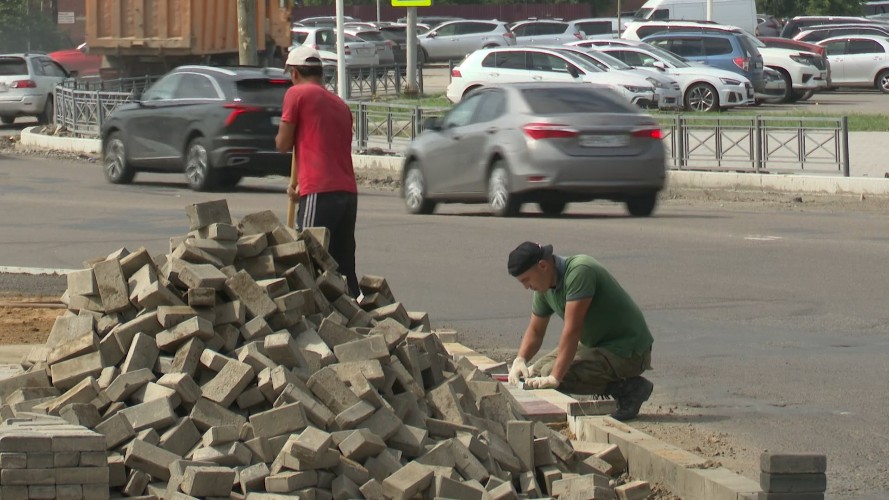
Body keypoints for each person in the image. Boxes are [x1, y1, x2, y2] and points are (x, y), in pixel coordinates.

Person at [506, 241, 654, 421]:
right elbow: (536, 331)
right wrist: (520, 360)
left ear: (543, 266)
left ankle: (630, 389)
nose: (526, 286)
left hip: (628, 350)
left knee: (550, 375)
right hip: (596, 345)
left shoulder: (579, 271)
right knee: (534, 374)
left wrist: (555, 378)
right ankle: (600, 380)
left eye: (526, 280)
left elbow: (573, 329)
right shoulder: (544, 288)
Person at [276, 46, 359, 297]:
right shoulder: (340, 104)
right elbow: (324, 148)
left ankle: (310, 319)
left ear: (294, 73)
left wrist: (307, 188)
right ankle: (355, 310)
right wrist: (300, 189)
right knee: (343, 263)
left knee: (309, 258)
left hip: (320, 192)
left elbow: (283, 144)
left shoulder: (296, 93)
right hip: (347, 193)